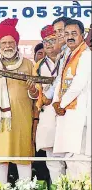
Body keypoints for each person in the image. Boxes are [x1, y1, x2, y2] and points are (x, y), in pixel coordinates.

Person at [0, 18, 34, 183]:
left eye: (11, 42)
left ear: (16, 44)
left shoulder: (28, 64)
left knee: (23, 156)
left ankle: (26, 187)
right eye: (4, 43)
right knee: (0, 158)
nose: (8, 46)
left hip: (22, 120)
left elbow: (36, 94)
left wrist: (32, 88)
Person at [52, 19, 91, 179]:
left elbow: (78, 84)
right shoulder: (67, 55)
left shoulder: (87, 55)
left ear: (82, 35)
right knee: (70, 158)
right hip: (67, 113)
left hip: (81, 113)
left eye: (74, 34)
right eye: (66, 34)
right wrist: (55, 101)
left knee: (81, 159)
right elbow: (60, 82)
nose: (70, 37)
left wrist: (60, 103)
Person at [29, 25, 65, 183]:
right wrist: (34, 92)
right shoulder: (38, 66)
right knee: (51, 157)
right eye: (45, 42)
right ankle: (58, 186)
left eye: (52, 40)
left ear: (60, 40)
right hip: (48, 114)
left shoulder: (67, 58)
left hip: (67, 112)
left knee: (69, 155)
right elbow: (35, 94)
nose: (49, 45)